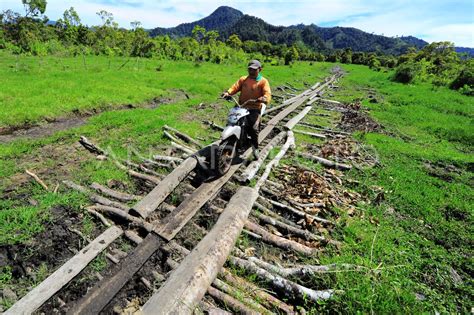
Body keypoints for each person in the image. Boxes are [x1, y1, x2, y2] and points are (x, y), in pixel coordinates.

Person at [222, 59, 271, 159]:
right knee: (232, 121)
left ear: (260, 69)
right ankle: (233, 140)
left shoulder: (263, 81)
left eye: (254, 70)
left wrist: (264, 98)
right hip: (241, 106)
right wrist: (228, 93)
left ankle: (255, 148)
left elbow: (267, 93)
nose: (251, 72)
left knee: (253, 128)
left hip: (254, 108)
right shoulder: (243, 79)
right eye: (250, 69)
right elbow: (235, 87)